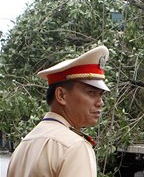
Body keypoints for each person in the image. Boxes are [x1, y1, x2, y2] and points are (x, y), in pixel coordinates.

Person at [7, 46, 110, 177]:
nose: (100, 102)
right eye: (91, 93)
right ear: (61, 95)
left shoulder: (25, 144)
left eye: (101, 95)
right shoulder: (74, 147)